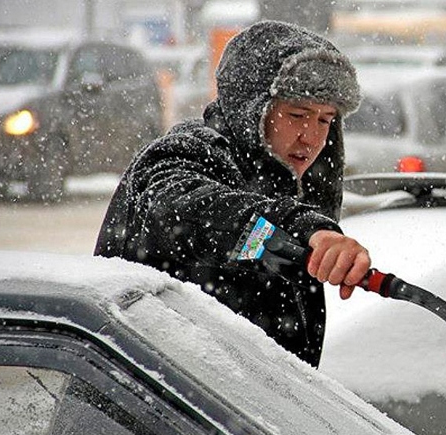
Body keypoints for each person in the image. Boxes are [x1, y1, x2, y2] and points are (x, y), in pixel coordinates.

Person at [94, 20, 371, 368]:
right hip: (146, 406)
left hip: (229, 412)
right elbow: (192, 215)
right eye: (297, 114)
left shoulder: (280, 193)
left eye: (325, 120)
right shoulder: (184, 155)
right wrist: (303, 228)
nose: (311, 136)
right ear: (250, 108)